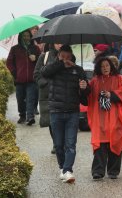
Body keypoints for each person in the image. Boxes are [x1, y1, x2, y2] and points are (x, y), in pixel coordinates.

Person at [41, 45, 89, 183]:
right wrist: (61, 64)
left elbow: (86, 95)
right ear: (58, 56)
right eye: (62, 57)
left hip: (72, 112)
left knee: (70, 144)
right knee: (58, 145)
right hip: (56, 111)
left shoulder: (78, 70)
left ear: (72, 56)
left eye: (68, 57)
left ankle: (68, 170)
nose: (66, 59)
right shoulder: (53, 68)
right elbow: (44, 72)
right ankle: (62, 167)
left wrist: (84, 88)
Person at [86, 57, 122, 180]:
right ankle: (98, 171)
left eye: (107, 65)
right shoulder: (94, 81)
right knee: (100, 145)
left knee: (116, 142)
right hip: (99, 118)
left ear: (111, 66)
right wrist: (83, 87)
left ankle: (113, 171)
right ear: (98, 68)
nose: (105, 68)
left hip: (116, 117)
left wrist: (112, 94)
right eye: (102, 66)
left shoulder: (121, 79)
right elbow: (86, 96)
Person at [6, 29, 41, 125]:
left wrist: (36, 58)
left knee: (30, 98)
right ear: (20, 37)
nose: (26, 37)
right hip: (19, 80)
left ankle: (30, 117)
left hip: (32, 80)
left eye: (28, 35)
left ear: (31, 37)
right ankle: (22, 115)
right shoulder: (14, 49)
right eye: (24, 36)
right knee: (20, 99)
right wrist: (15, 74)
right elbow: (9, 63)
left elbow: (41, 62)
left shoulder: (35, 48)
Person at [33, 43, 62, 154]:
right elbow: (36, 74)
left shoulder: (67, 55)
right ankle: (56, 143)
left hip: (63, 93)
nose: (60, 45)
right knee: (51, 120)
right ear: (52, 43)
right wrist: (44, 83)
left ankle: (61, 142)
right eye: (57, 43)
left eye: (62, 42)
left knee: (61, 119)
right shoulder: (44, 56)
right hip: (47, 94)